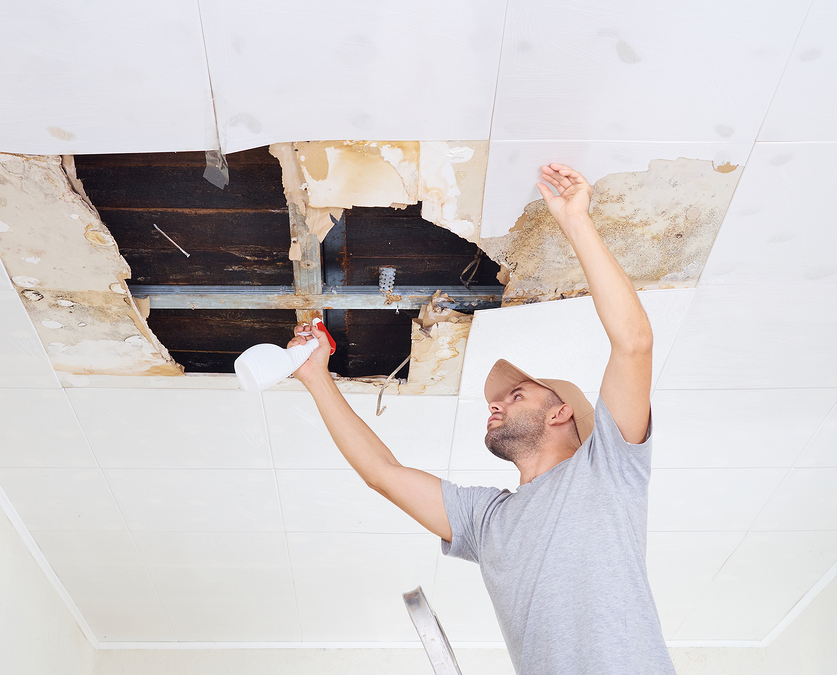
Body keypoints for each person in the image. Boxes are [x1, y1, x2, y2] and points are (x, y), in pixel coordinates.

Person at [287, 164, 676, 675]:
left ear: (562, 413)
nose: (495, 405)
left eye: (514, 396)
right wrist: (317, 377)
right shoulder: (488, 522)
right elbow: (382, 474)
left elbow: (635, 343)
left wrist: (576, 221)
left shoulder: (609, 469)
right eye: (507, 397)